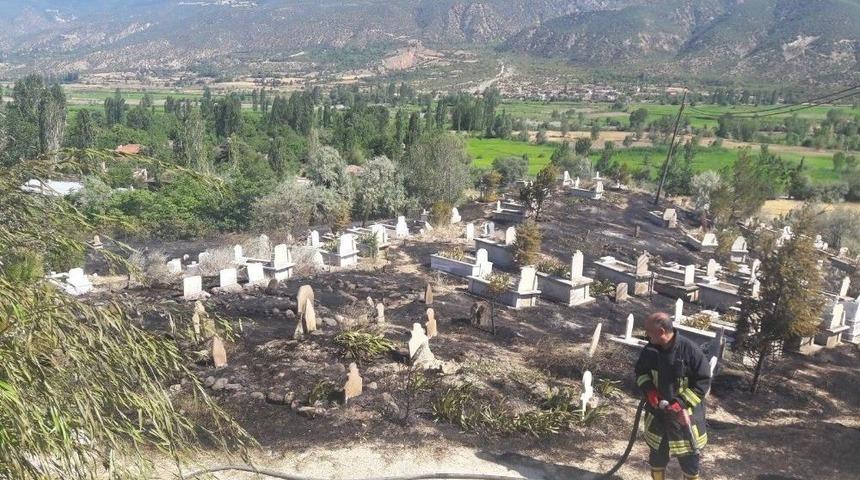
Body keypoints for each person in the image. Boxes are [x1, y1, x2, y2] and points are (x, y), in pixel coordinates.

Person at [635, 312, 710, 480]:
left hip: (684, 418)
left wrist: (680, 403)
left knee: (690, 463)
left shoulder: (691, 351)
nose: (647, 335)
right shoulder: (650, 350)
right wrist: (650, 391)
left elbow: (702, 383)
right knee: (657, 459)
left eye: (649, 331)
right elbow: (641, 372)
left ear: (661, 331)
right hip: (658, 418)